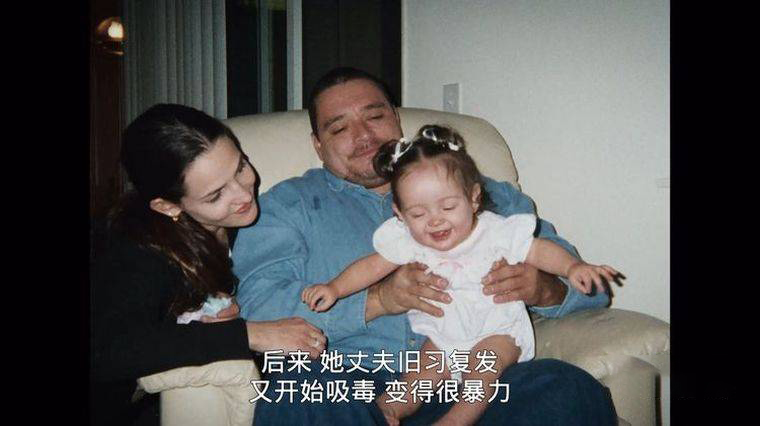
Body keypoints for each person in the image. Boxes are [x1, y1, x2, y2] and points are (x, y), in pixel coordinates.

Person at [232, 67, 617, 424]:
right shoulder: (286, 207)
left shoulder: (481, 192)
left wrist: (542, 288)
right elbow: (258, 308)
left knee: (568, 389)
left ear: (396, 119)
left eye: (375, 116)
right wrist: (378, 300)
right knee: (299, 393)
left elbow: (593, 290)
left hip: (476, 378)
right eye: (340, 128)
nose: (363, 135)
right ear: (318, 145)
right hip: (350, 380)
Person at [301, 124, 620, 425]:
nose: (435, 221)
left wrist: (572, 267)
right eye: (418, 213)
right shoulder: (410, 240)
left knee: (482, 369)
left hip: (497, 331)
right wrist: (335, 288)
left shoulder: (495, 232)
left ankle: (455, 420)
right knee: (421, 372)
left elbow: (539, 251)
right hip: (443, 334)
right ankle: (387, 409)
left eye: (448, 207)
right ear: (399, 213)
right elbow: (371, 266)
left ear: (474, 197)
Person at [90, 104, 327, 426]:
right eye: (216, 195)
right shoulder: (134, 250)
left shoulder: (255, 220)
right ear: (168, 207)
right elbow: (108, 350)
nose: (244, 194)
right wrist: (246, 334)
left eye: (240, 167)